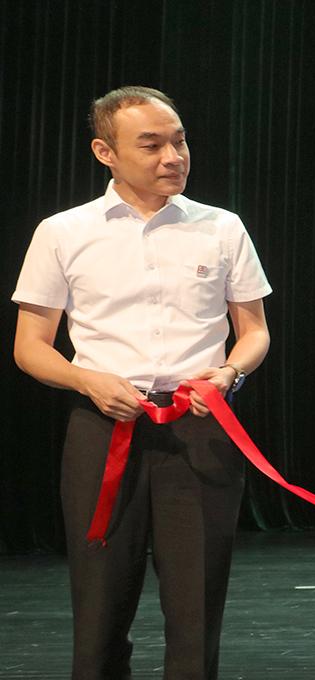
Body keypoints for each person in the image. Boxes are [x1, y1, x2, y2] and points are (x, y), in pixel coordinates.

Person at [12, 86, 272, 679]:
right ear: (105, 152)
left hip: (200, 426)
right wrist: (86, 381)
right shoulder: (63, 232)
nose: (173, 157)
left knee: (197, 608)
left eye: (179, 141)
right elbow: (29, 348)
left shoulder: (222, 227)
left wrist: (230, 371)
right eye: (151, 145)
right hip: (104, 428)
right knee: (99, 608)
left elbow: (254, 331)